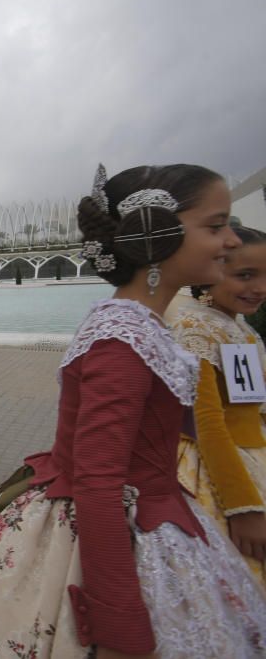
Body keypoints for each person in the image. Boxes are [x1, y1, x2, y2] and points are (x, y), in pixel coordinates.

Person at [0, 165, 266, 659]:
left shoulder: (137, 327)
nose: (228, 241)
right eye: (215, 225)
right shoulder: (123, 340)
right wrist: (120, 624)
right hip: (109, 528)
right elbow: (99, 480)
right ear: (158, 234)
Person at [170, 225, 266, 586]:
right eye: (245, 275)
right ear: (208, 271)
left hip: (253, 454)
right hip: (217, 469)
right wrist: (244, 508)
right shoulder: (197, 329)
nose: (259, 287)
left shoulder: (240, 327)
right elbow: (207, 422)